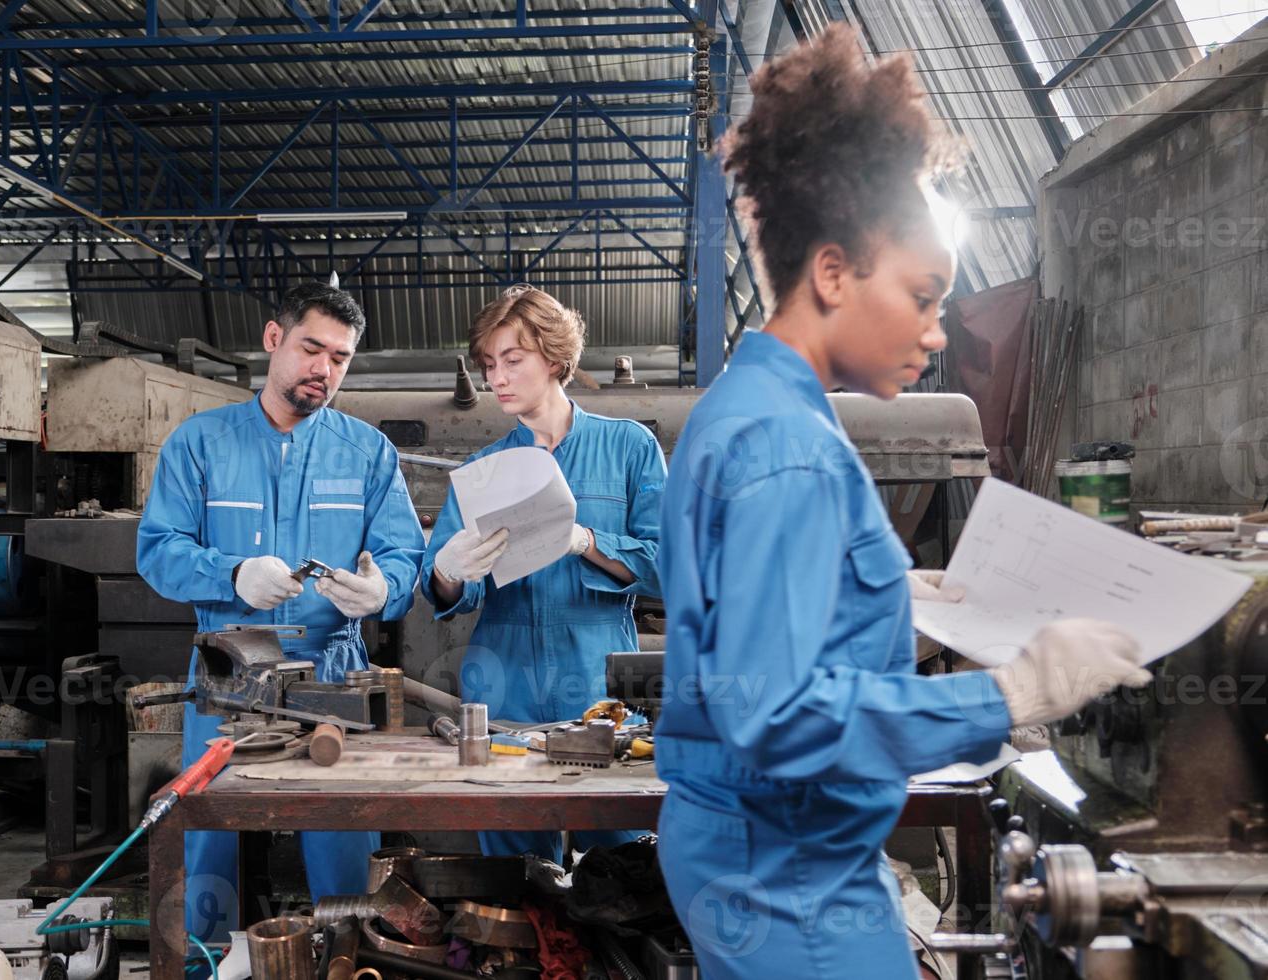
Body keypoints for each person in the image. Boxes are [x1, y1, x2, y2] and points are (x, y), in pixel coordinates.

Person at [654, 25, 1152, 979]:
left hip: (760, 858)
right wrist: (1008, 696)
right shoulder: (788, 449)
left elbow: (748, 633)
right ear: (834, 272)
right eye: (924, 295)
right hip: (790, 880)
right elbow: (785, 716)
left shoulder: (750, 407)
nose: (935, 330)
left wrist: (885, 594)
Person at [137, 282, 424, 942]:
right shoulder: (200, 444)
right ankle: (206, 960)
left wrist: (383, 592)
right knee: (206, 843)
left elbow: (405, 555)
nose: (324, 369)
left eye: (342, 358)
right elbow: (158, 551)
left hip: (333, 674)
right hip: (226, 671)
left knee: (342, 843)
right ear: (274, 340)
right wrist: (231, 572)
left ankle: (349, 958)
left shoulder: (368, 454)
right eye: (311, 348)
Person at [420, 285, 666, 862]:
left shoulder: (629, 448)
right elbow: (447, 592)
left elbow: (670, 569)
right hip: (504, 686)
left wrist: (586, 541)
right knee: (515, 868)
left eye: (512, 360)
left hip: (599, 688)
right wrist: (449, 570)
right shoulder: (481, 471)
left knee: (625, 862)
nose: (496, 379)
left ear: (554, 358)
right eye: (488, 366)